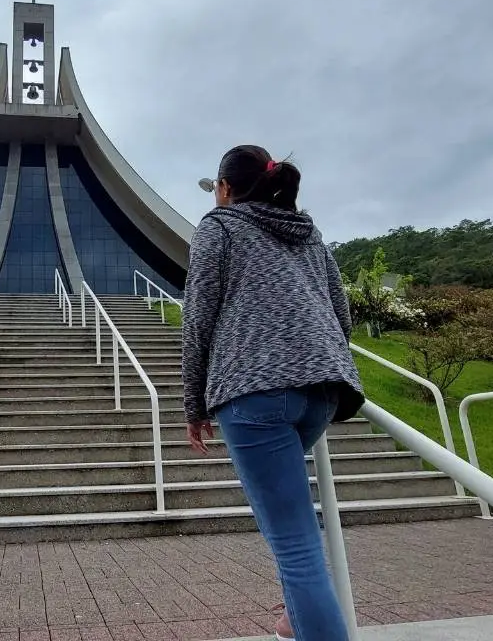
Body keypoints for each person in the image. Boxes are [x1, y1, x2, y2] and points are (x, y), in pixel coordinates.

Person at [181, 144, 364, 641]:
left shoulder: (218, 227)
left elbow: (198, 318)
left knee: (297, 545)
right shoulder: (308, 233)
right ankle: (293, 616)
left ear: (223, 188)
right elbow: (340, 314)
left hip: (255, 394)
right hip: (322, 394)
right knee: (290, 528)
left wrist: (194, 404)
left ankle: (305, 617)